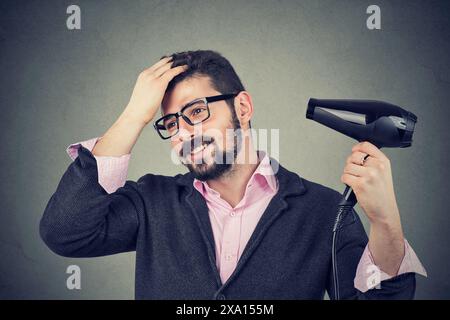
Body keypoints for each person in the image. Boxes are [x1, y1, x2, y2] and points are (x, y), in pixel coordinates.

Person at [40, 50, 426, 299]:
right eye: (170, 124)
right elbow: (65, 232)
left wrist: (385, 221)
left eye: (195, 112)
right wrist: (134, 116)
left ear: (242, 107)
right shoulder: (150, 202)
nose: (184, 133)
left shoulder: (325, 212)